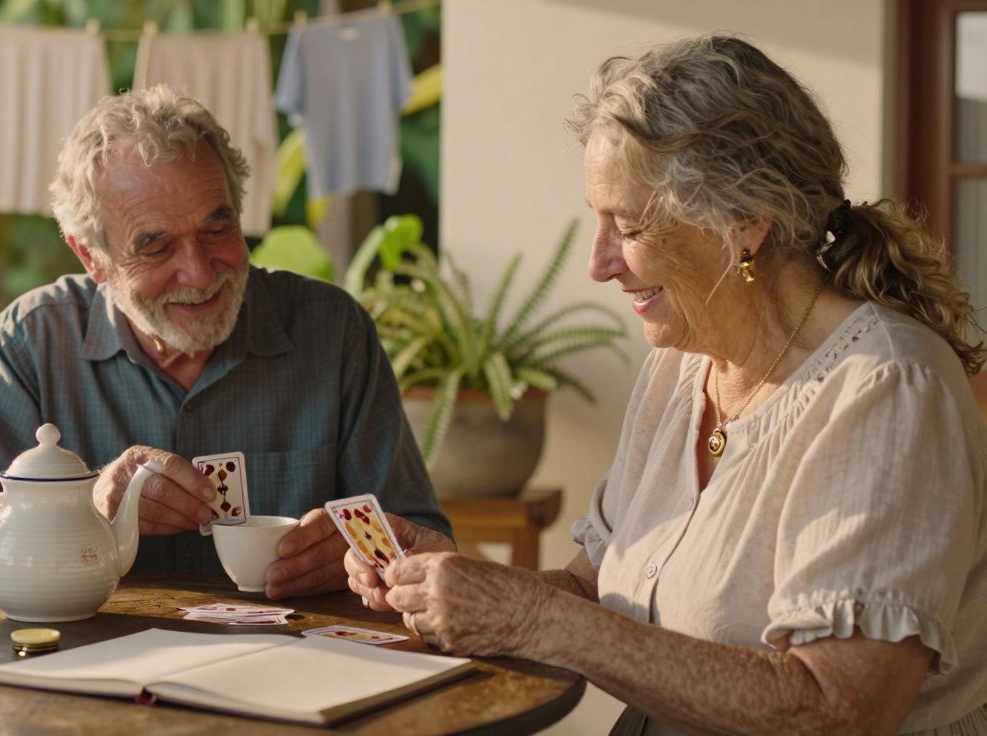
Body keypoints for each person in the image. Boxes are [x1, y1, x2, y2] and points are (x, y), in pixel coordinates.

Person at [347, 35, 987, 734]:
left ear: (745, 225)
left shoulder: (887, 389)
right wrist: (462, 585)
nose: (599, 263)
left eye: (628, 226)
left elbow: (837, 710)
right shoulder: (683, 365)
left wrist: (534, 616)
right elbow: (593, 589)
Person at [0, 85, 452, 598]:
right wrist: (74, 510)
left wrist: (363, 555)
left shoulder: (332, 333)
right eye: (155, 246)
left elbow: (422, 537)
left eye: (217, 228)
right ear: (91, 256)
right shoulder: (31, 344)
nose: (199, 271)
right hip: (94, 656)